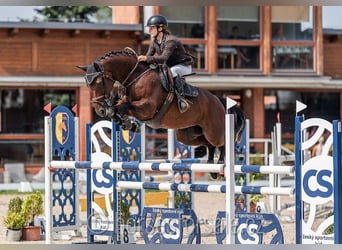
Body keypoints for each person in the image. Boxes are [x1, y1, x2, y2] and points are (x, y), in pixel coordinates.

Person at [137, 14, 195, 113]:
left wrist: (147, 58)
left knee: (173, 71)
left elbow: (163, 58)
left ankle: (182, 99)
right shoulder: (155, 42)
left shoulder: (171, 40)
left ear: (160, 28)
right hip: (169, 67)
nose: (149, 30)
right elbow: (148, 57)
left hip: (183, 66)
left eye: (151, 28)